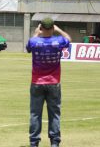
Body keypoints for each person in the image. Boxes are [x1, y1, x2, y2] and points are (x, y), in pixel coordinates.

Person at [26, 17, 71, 147]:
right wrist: (59, 30)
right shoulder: (58, 41)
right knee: (55, 114)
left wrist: (36, 33)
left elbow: (29, 46)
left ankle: (34, 142)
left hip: (37, 82)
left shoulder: (34, 41)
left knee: (35, 114)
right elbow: (68, 39)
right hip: (54, 82)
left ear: (41, 28)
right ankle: (55, 142)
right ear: (52, 28)